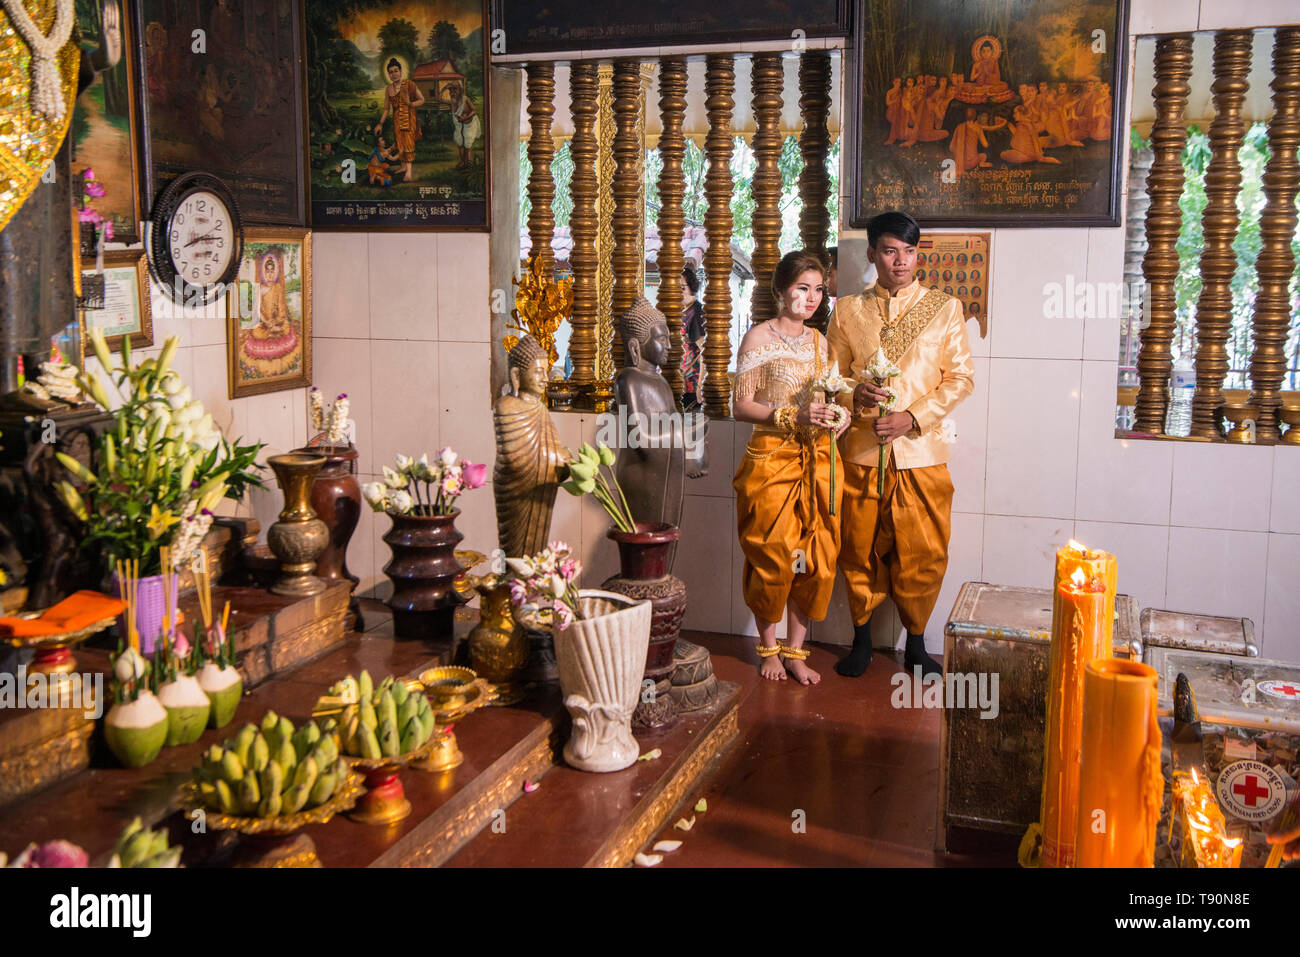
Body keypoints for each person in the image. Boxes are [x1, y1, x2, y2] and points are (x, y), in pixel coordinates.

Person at [827, 211, 974, 679]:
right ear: (872, 254)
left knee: (924, 550)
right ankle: (863, 640)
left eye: (909, 251)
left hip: (922, 455)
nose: (901, 261)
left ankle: (916, 643)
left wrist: (913, 416)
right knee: (858, 547)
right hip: (862, 453)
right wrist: (854, 392)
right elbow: (831, 378)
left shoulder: (946, 308)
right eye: (890, 251)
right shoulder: (846, 310)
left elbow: (961, 379)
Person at [733, 251, 848, 685]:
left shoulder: (820, 343)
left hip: (818, 462)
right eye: (802, 287)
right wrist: (791, 417)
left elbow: (829, 398)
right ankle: (768, 649)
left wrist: (840, 415)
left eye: (819, 289)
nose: (812, 297)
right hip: (771, 461)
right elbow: (740, 405)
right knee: (774, 555)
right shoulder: (758, 338)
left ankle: (797, 651)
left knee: (815, 559)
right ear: (781, 290)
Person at [374, 58, 425, 182]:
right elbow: (386, 109)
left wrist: (410, 104)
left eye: (396, 71)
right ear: (389, 75)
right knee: (400, 143)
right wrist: (380, 124)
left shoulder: (409, 84)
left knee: (407, 143)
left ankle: (409, 172)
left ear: (401, 71)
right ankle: (402, 167)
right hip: (397, 120)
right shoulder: (388, 89)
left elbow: (422, 100)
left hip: (409, 117)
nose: (394, 74)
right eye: (391, 72)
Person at [680, 264, 706, 410]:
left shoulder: (695, 313)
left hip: (691, 384)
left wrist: (700, 385)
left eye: (683, 288)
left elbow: (704, 351)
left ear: (692, 288)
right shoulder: (683, 311)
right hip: (681, 381)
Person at [448, 82, 480, 169]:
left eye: (455, 89)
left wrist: (465, 118)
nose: (453, 92)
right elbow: (440, 99)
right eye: (451, 89)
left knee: (467, 143)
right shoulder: (452, 100)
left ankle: (469, 163)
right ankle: (462, 162)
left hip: (469, 123)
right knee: (460, 141)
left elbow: (474, 111)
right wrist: (444, 88)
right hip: (459, 124)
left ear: (460, 90)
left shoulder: (465, 99)